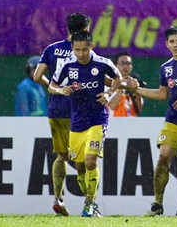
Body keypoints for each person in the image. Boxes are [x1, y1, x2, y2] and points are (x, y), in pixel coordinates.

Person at [125, 25, 177, 217]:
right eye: (172, 41)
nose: (176, 44)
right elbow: (163, 94)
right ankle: (157, 204)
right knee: (163, 157)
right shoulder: (166, 67)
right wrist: (136, 90)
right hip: (173, 120)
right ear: (167, 44)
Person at [49, 31, 123, 217]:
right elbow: (52, 85)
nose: (81, 54)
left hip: (97, 120)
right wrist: (60, 90)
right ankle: (91, 202)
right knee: (80, 167)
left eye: (85, 49)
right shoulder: (67, 64)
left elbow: (118, 78)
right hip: (76, 122)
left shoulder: (102, 63)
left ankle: (89, 204)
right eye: (77, 50)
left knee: (91, 162)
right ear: (72, 48)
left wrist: (108, 93)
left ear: (91, 47)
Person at [33, 12, 92, 216]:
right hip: (79, 109)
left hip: (57, 107)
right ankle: (89, 204)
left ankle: (58, 197)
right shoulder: (84, 50)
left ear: (67, 29)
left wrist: (55, 88)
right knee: (83, 160)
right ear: (85, 30)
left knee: (62, 155)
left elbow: (37, 75)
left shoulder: (52, 49)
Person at [110, 52, 145, 117]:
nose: (125, 66)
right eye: (122, 63)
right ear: (115, 66)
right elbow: (111, 107)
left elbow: (138, 110)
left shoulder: (133, 82)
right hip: (113, 124)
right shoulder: (109, 82)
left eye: (128, 63)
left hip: (131, 124)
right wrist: (122, 86)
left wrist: (137, 91)